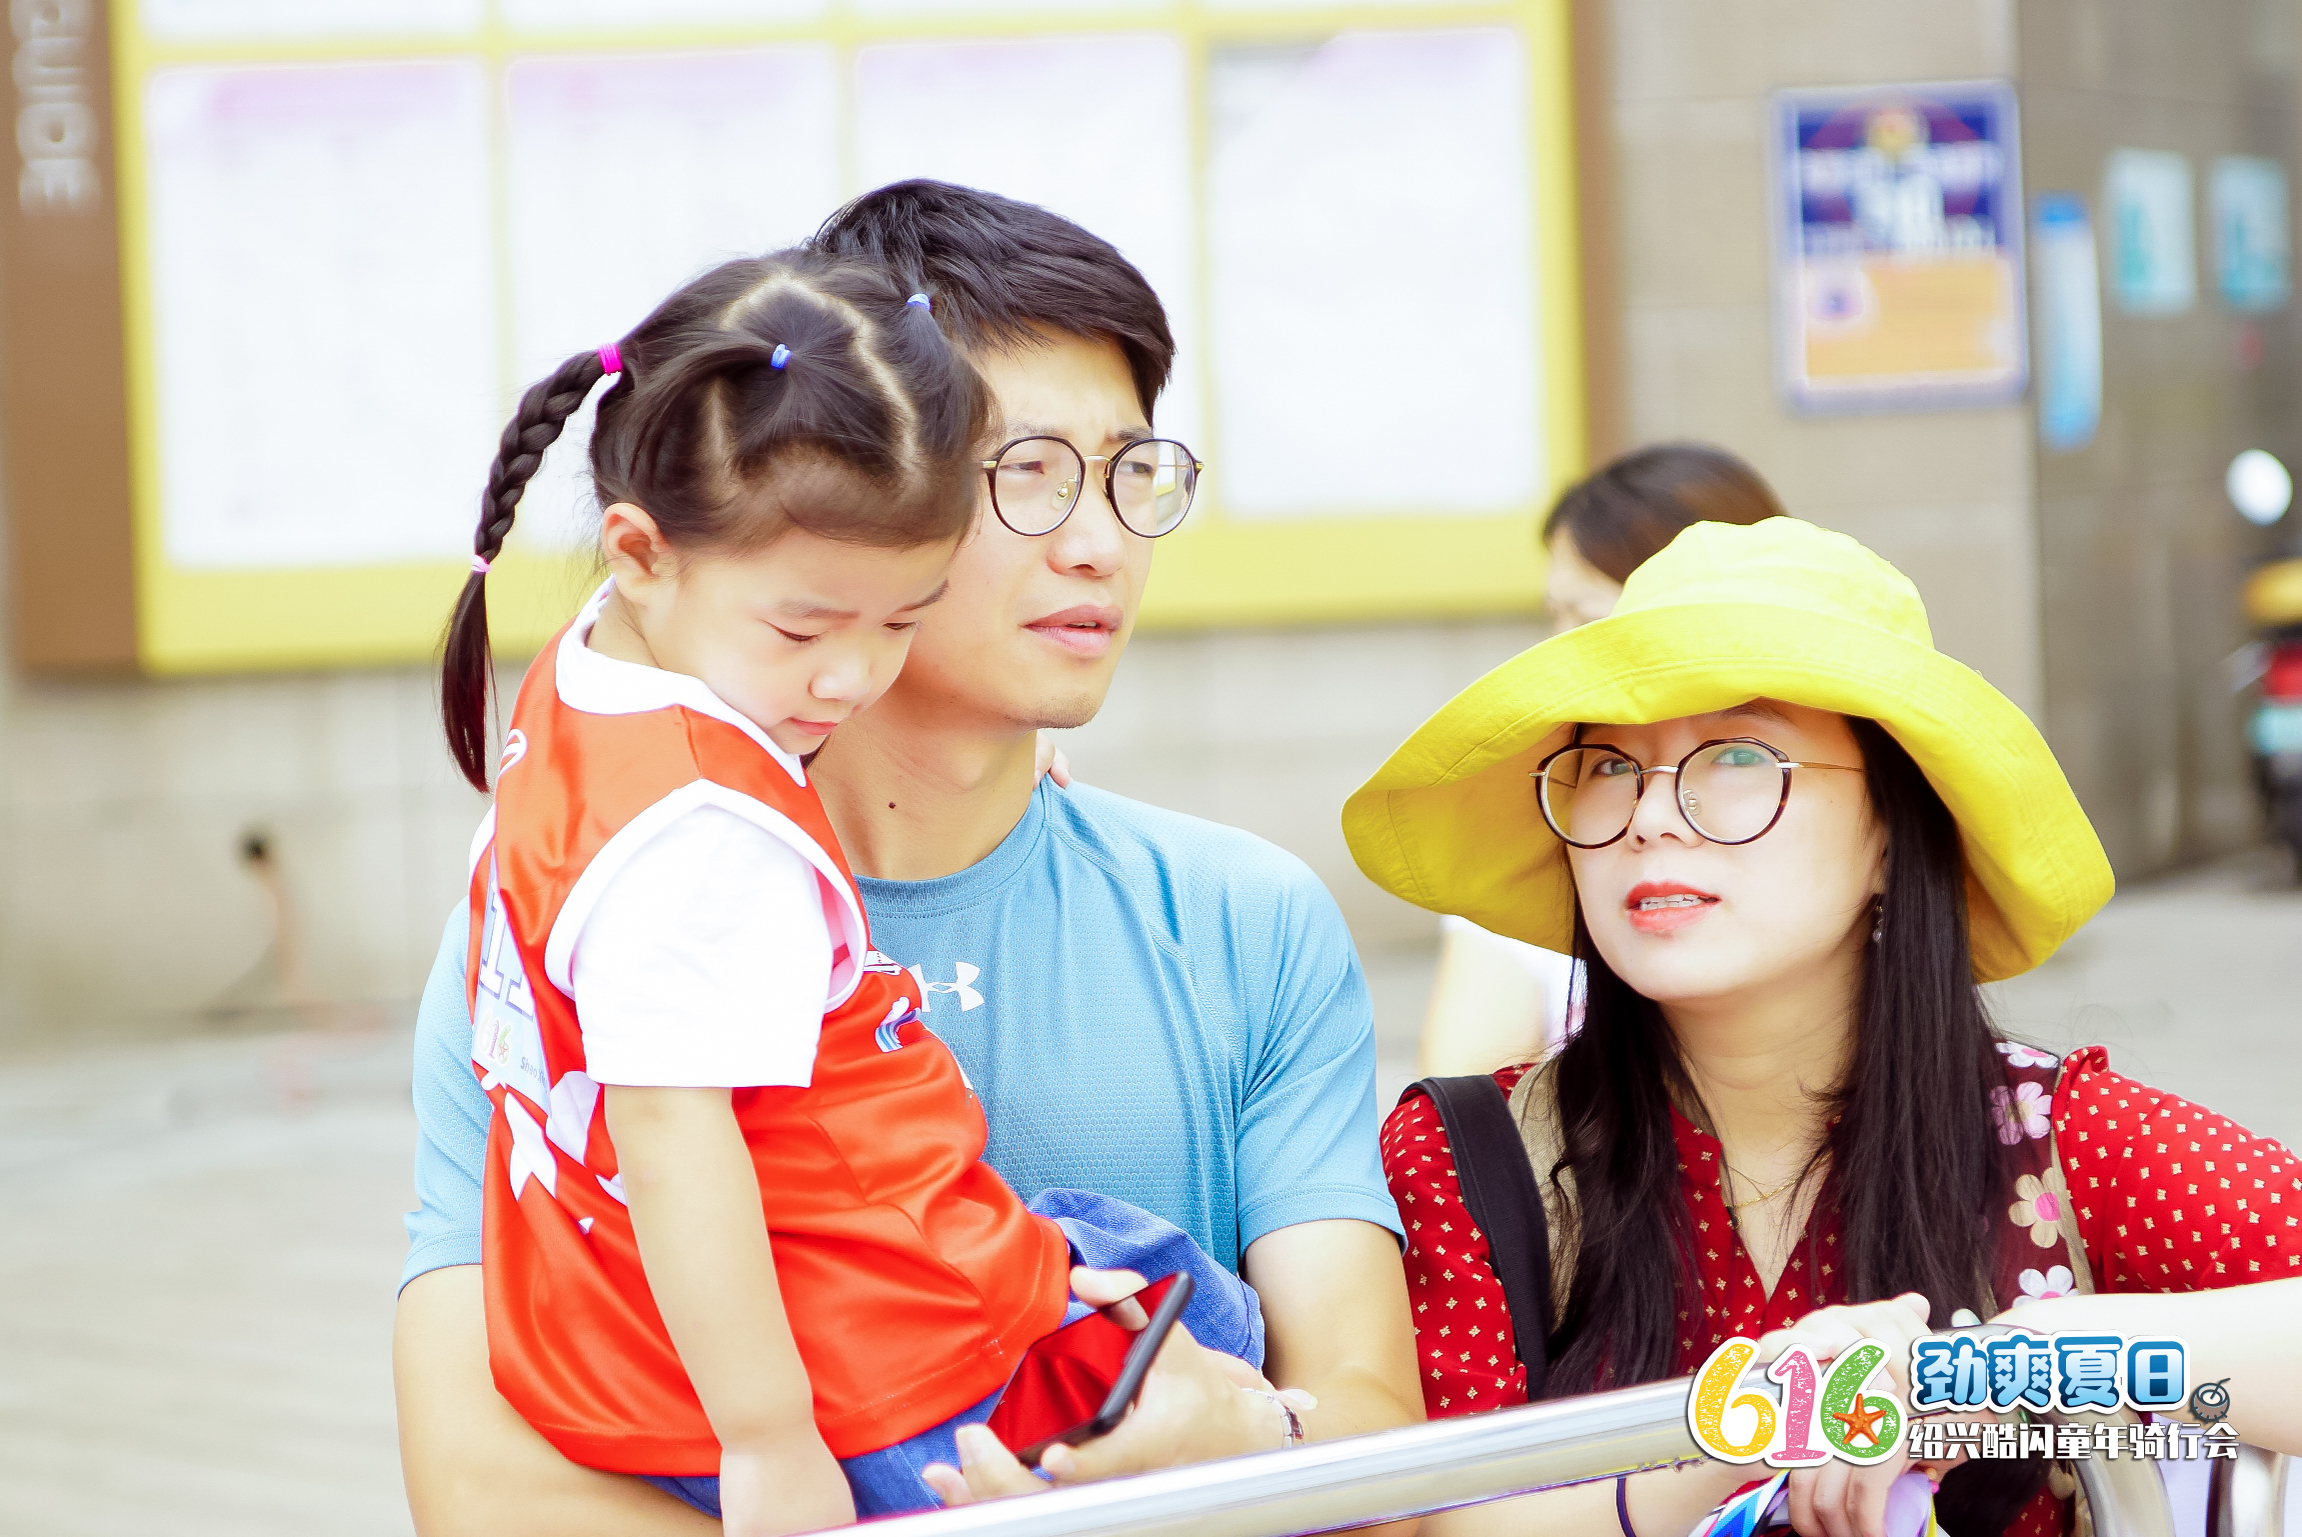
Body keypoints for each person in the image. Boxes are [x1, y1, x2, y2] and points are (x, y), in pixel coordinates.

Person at [393, 182, 1420, 1537]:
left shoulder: (1242, 917)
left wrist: (1251, 1438)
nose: (1098, 543)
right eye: (1027, 472)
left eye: (1130, 471)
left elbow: (1387, 1451)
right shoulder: (568, 924)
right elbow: (480, 1487)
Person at [1348, 518, 2302, 1537]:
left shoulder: (2054, 1143)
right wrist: (1763, 1424)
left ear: (1890, 829)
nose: (1651, 815)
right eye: (1608, 763)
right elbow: (1413, 1519)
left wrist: (1992, 1366)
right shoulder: (1470, 1161)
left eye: (1737, 753)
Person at [1421, 443, 1784, 1078]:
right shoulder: (1544, 855)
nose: (1655, 824)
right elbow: (1462, 1102)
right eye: (1612, 770)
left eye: (1587, 618)